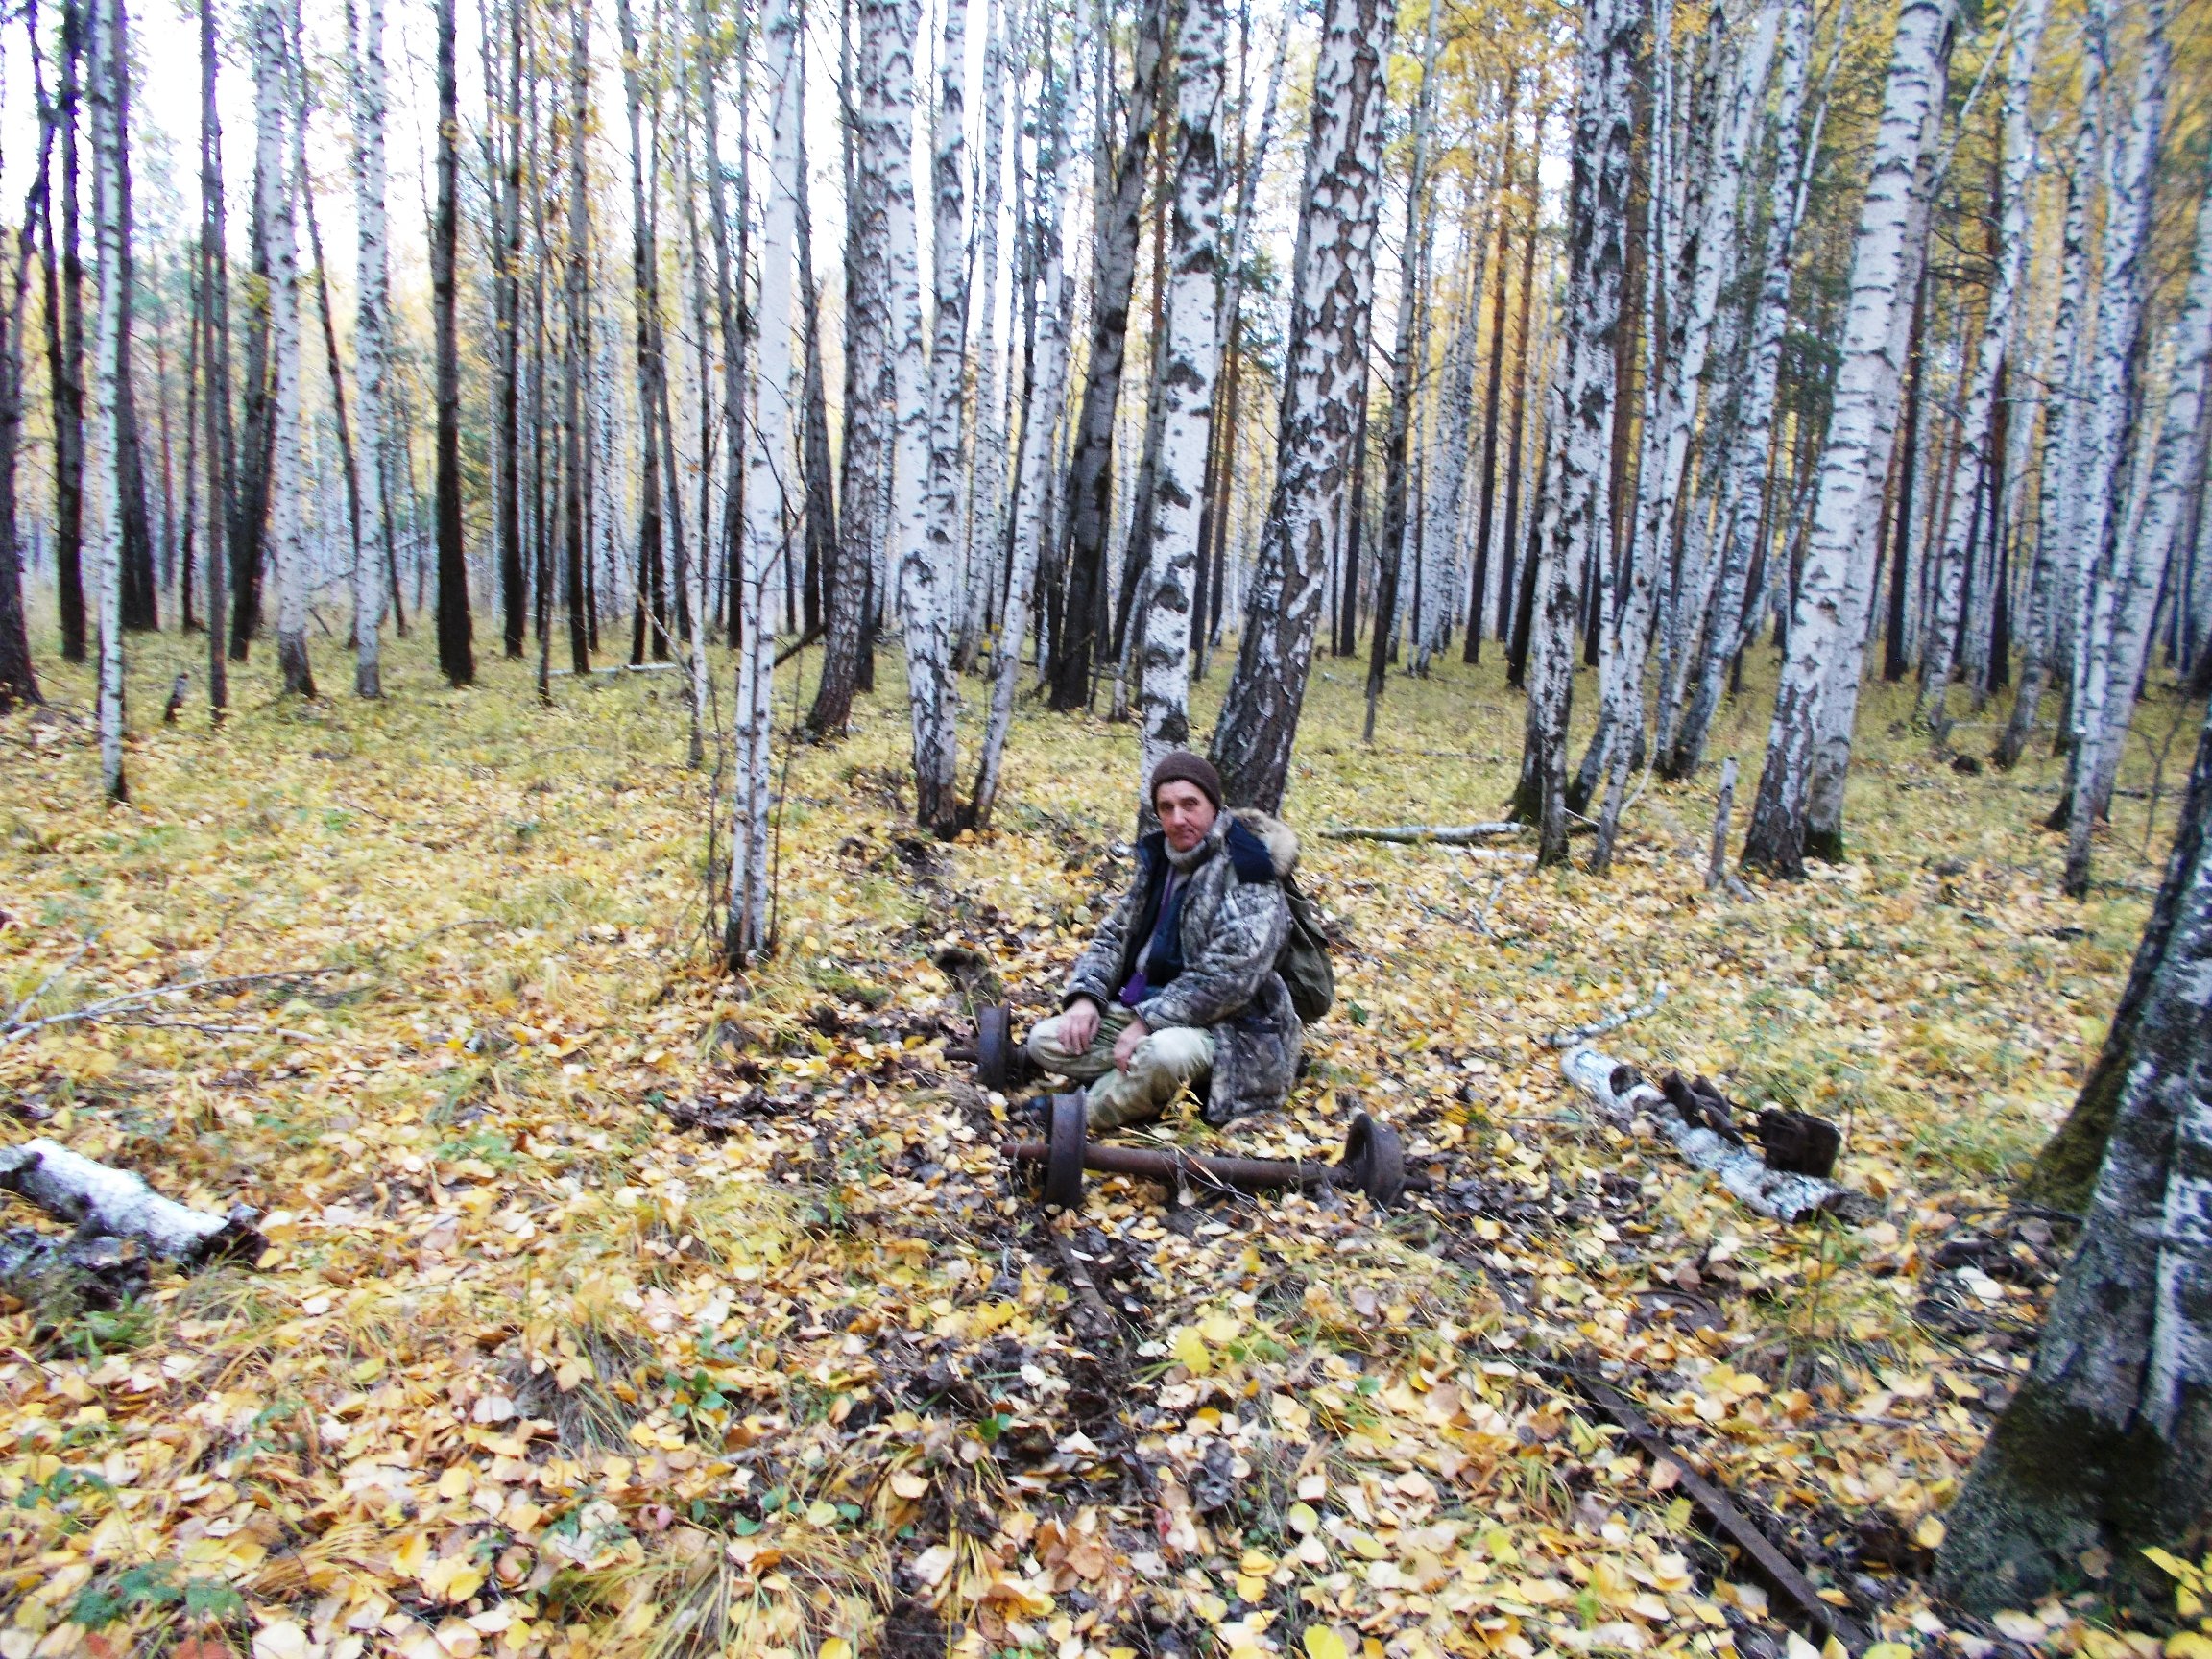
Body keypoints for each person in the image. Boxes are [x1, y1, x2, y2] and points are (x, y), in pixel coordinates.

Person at [1025, 753, 1303, 1130]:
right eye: (1166, 807)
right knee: (1046, 1039)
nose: (1178, 819)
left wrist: (1146, 1023)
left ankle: (1079, 1113)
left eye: (1190, 805)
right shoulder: (1160, 858)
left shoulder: (1249, 865)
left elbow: (1231, 976)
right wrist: (1085, 999)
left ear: (1215, 806)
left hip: (1230, 1030)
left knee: (1163, 1056)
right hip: (1148, 1006)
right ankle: (1145, 1088)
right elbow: (1114, 936)